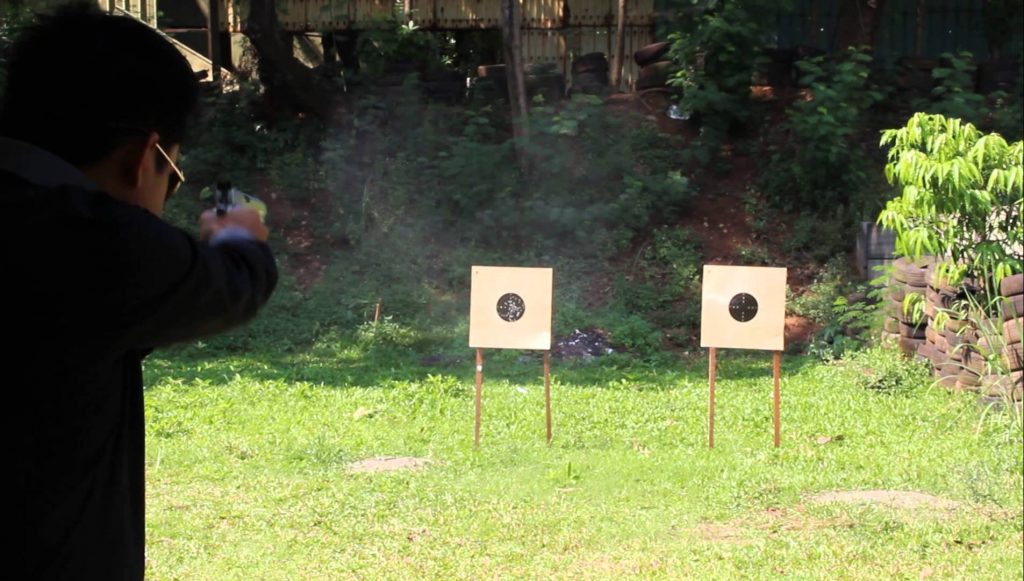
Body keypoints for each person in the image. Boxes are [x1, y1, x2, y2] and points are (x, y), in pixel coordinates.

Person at [0, 4, 278, 579]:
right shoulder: (84, 238)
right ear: (140, 158)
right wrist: (237, 233)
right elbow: (234, 285)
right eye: (168, 177)